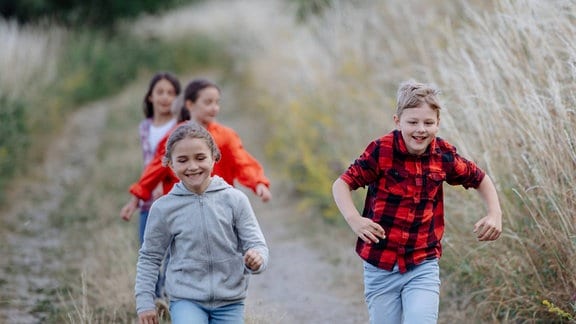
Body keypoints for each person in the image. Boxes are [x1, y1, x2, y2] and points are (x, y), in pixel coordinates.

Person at [331, 80, 502, 324]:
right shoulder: (381, 150)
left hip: (422, 264)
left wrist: (494, 213)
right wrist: (355, 219)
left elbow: (479, 178)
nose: (420, 129)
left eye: (428, 123)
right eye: (412, 122)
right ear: (397, 121)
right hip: (380, 265)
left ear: (438, 123)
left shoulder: (443, 155)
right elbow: (342, 184)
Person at [135, 122, 269, 324]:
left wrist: (257, 259)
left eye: (200, 158)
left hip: (230, 301)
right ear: (170, 164)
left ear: (214, 157)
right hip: (185, 299)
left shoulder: (235, 200)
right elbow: (150, 258)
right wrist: (145, 302)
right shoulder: (164, 208)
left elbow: (257, 244)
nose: (192, 166)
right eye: (182, 160)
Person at [120, 78, 272, 222]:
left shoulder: (226, 136)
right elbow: (154, 170)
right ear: (190, 104)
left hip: (220, 208)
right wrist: (135, 201)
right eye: (208, 102)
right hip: (183, 210)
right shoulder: (176, 136)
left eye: (217, 102)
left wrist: (258, 183)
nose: (214, 108)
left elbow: (242, 162)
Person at [121, 72, 180, 246]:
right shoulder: (145, 127)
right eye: (160, 92)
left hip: (173, 198)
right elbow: (149, 165)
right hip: (148, 200)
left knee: (173, 254)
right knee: (147, 251)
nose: (165, 97)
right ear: (150, 96)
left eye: (171, 93)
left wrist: (164, 183)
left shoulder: (180, 126)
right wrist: (135, 200)